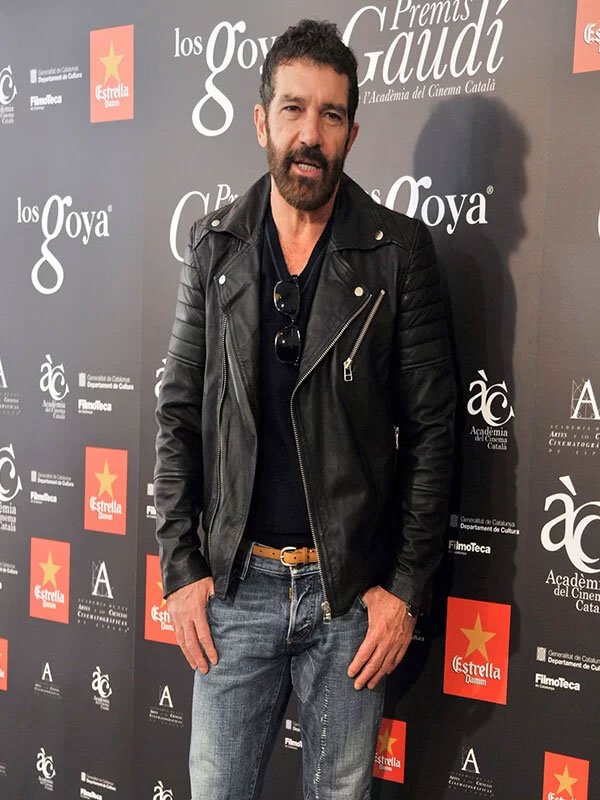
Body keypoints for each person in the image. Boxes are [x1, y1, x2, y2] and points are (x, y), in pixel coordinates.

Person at [154, 18, 455, 800]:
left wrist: (404, 591)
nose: (310, 135)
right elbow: (178, 413)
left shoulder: (398, 253)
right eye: (293, 109)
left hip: (348, 597)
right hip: (234, 594)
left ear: (353, 131)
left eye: (330, 114)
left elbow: (433, 434)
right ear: (262, 120)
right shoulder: (215, 247)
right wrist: (182, 569)